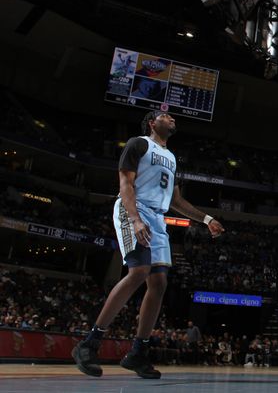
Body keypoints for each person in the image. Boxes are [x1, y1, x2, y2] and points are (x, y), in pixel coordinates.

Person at [72, 111, 225, 379]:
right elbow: (125, 183)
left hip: (158, 217)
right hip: (135, 208)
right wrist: (135, 218)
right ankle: (89, 344)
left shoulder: (172, 158)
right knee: (139, 272)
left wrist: (207, 218)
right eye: (166, 116)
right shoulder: (138, 143)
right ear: (153, 123)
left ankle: (137, 353)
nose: (172, 118)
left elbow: (176, 200)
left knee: (159, 283)